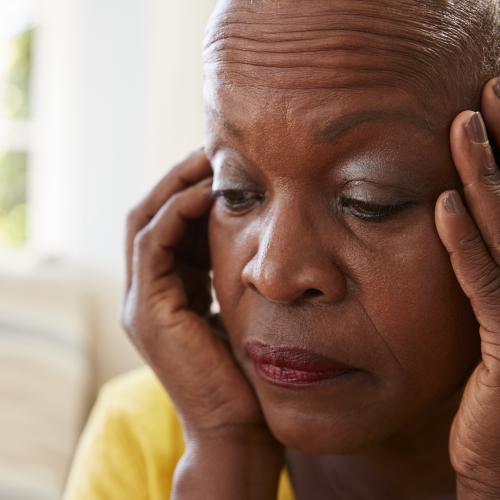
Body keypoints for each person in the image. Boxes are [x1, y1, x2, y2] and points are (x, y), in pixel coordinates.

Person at [63, 0, 500, 498]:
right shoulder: (147, 438)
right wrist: (229, 453)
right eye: (235, 192)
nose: (272, 273)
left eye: (367, 200)